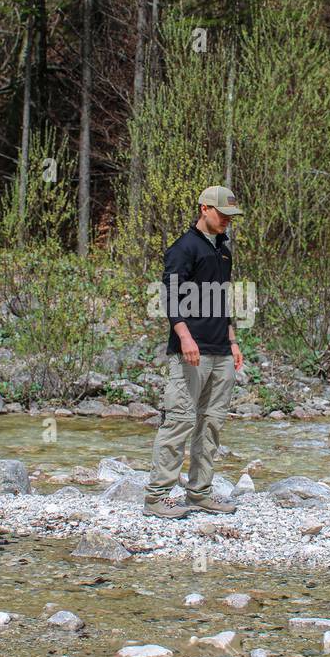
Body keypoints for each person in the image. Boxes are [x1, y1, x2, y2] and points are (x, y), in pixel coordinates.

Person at [143, 185, 245, 519]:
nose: (227, 221)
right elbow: (170, 297)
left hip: (221, 351)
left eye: (231, 216)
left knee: (211, 424)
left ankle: (200, 493)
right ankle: (157, 498)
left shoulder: (224, 250)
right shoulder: (182, 248)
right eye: (222, 214)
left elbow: (223, 299)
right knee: (179, 422)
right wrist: (185, 337)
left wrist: (231, 340)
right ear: (204, 209)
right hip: (191, 351)